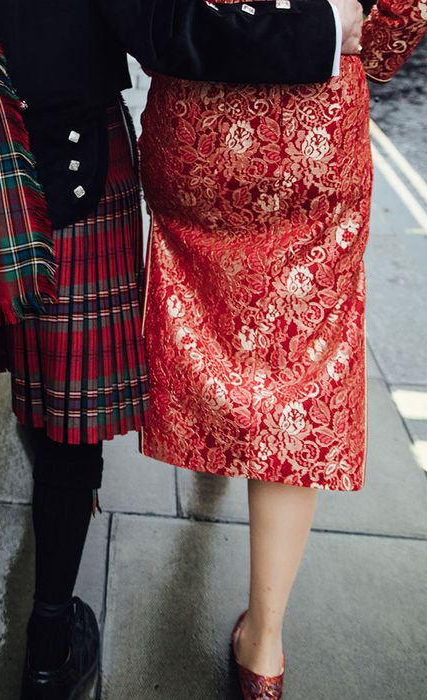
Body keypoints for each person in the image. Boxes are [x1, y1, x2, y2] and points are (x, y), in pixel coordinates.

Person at [0, 1, 366, 698]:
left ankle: (47, 643)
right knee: (293, 365)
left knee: (40, 366)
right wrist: (331, 31)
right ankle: (260, 650)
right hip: (296, 125)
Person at [138, 0, 427, 697]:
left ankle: (215, 441)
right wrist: (366, 41)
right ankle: (263, 648)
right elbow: (395, 22)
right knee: (298, 362)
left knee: (208, 313)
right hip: (314, 130)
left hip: (199, 121)